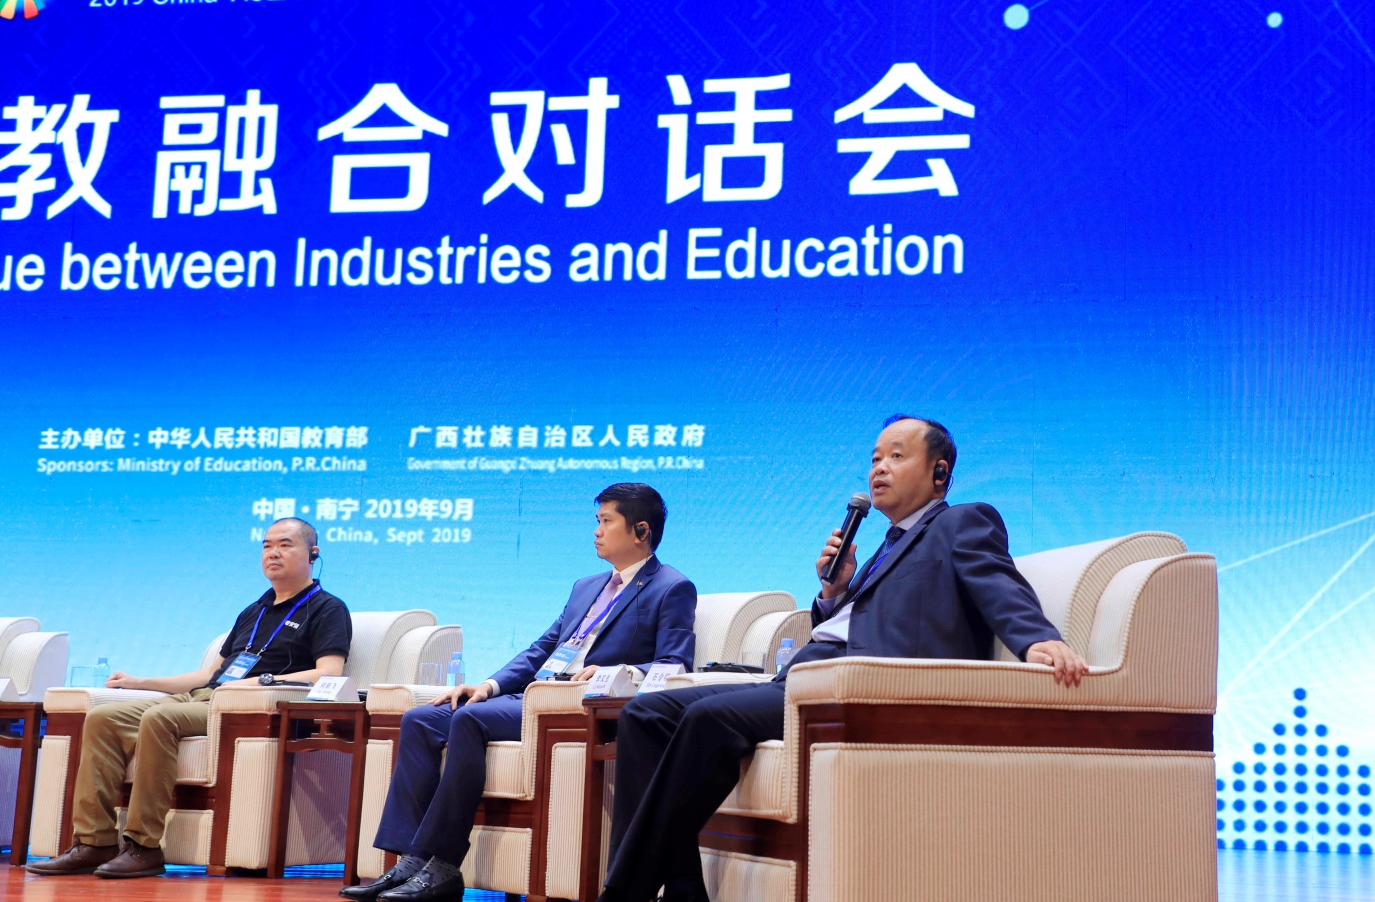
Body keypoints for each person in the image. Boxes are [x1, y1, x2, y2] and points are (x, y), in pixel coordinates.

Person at [598, 416, 1089, 902]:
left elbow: (997, 581)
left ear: (939, 473)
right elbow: (852, 621)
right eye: (875, 459)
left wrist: (1035, 640)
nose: (879, 468)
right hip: (804, 676)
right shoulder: (886, 545)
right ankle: (684, 891)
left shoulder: (962, 521)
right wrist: (835, 592)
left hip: (863, 686)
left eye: (897, 456)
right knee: (644, 715)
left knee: (707, 718)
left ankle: (622, 894)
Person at [345, 482, 697, 902]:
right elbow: (543, 648)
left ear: (641, 531)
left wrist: (616, 672)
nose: (596, 531)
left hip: (577, 705)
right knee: (421, 719)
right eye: (596, 520)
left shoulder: (670, 587)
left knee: (471, 719)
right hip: (534, 694)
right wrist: (489, 685)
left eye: (606, 521)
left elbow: (675, 664)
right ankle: (408, 862)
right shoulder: (586, 586)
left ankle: (441, 865)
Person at [29, 517, 351, 879]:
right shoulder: (255, 611)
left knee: (159, 719)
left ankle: (144, 847)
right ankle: (94, 842)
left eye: (285, 544)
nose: (273, 553)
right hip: (205, 697)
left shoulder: (327, 608)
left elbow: (329, 671)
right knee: (103, 718)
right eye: (267, 545)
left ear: (313, 553)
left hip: (244, 709)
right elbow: (208, 674)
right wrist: (141, 681)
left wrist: (259, 682)